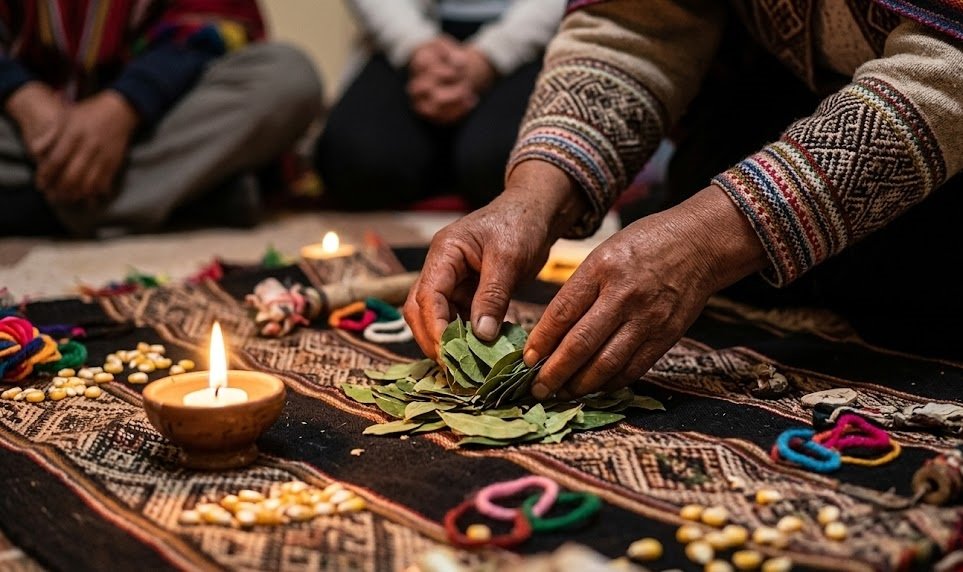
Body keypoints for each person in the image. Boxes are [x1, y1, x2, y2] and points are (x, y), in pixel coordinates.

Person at [405, 1, 963, 398]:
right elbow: (637, 22)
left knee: (909, 300)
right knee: (672, 255)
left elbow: (947, 68)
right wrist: (533, 193)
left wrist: (711, 237)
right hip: (787, 85)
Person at [1, 1, 322, 237]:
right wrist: (22, 95)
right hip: (21, 128)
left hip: (152, 118)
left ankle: (30, 209)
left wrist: (124, 105)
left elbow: (214, 24)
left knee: (287, 77)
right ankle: (192, 197)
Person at [315, 0, 565, 210]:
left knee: (512, 165)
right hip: (408, 34)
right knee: (354, 160)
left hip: (532, 38)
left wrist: (490, 56)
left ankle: (455, 155)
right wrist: (415, 45)